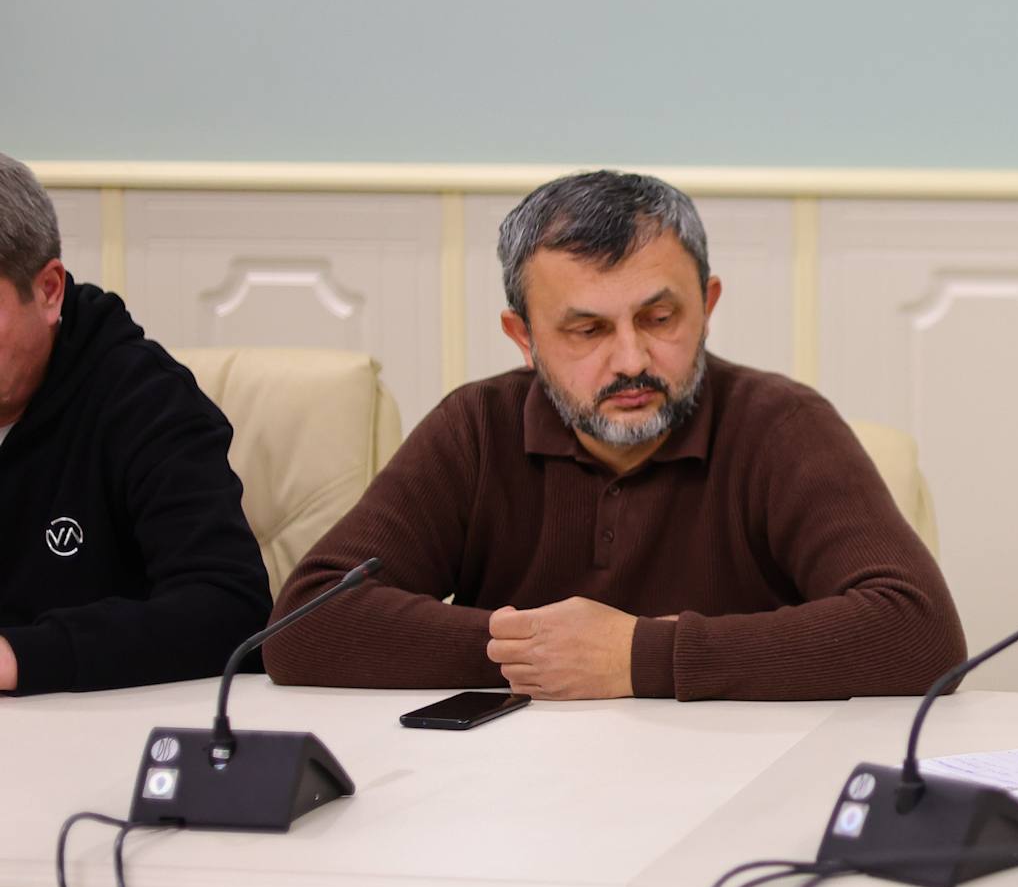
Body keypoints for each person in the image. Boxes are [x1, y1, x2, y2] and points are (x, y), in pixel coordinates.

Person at [264, 170, 965, 699]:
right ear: (524, 337)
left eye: (660, 319)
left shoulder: (782, 425)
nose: (631, 360)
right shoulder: (477, 427)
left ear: (707, 306)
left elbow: (918, 632)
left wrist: (636, 655)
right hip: (515, 794)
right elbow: (304, 626)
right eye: (587, 330)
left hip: (731, 781)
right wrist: (547, 655)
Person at [0, 153, 271, 694]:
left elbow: (229, 607)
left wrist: (23, 657)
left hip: (102, 728)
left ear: (49, 290)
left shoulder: (148, 401)